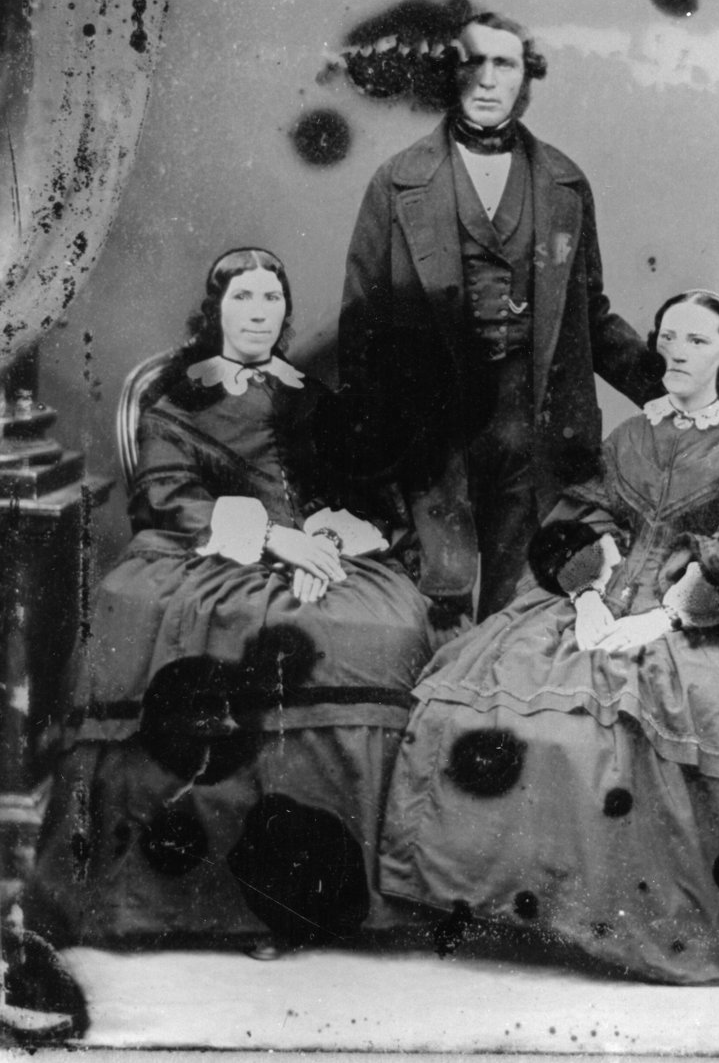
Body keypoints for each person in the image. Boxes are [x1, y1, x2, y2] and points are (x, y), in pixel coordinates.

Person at [377, 290, 719, 983]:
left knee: (625, 741)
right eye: (667, 336)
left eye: (696, 341)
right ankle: (523, 902)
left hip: (708, 614)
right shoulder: (633, 434)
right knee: (476, 706)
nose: (675, 350)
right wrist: (585, 596)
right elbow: (585, 513)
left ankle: (603, 914)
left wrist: (664, 616)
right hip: (607, 591)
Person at [23, 248, 434, 954]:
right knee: (157, 618)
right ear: (215, 310)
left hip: (316, 552)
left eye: (271, 299)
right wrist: (275, 540)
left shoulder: (310, 393)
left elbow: (361, 485)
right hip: (205, 553)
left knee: (385, 624)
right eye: (242, 298)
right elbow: (167, 497)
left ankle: (337, 889)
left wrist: (324, 541)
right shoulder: (180, 397)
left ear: (285, 313)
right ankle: (190, 897)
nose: (257, 312)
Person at [338, 11, 663, 625]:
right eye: (472, 62)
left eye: (505, 63)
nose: (487, 80)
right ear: (448, 73)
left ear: (525, 77)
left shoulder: (565, 183)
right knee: (441, 590)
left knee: (523, 600)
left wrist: (680, 389)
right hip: (434, 423)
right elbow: (362, 329)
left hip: (535, 419)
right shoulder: (398, 182)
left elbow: (590, 316)